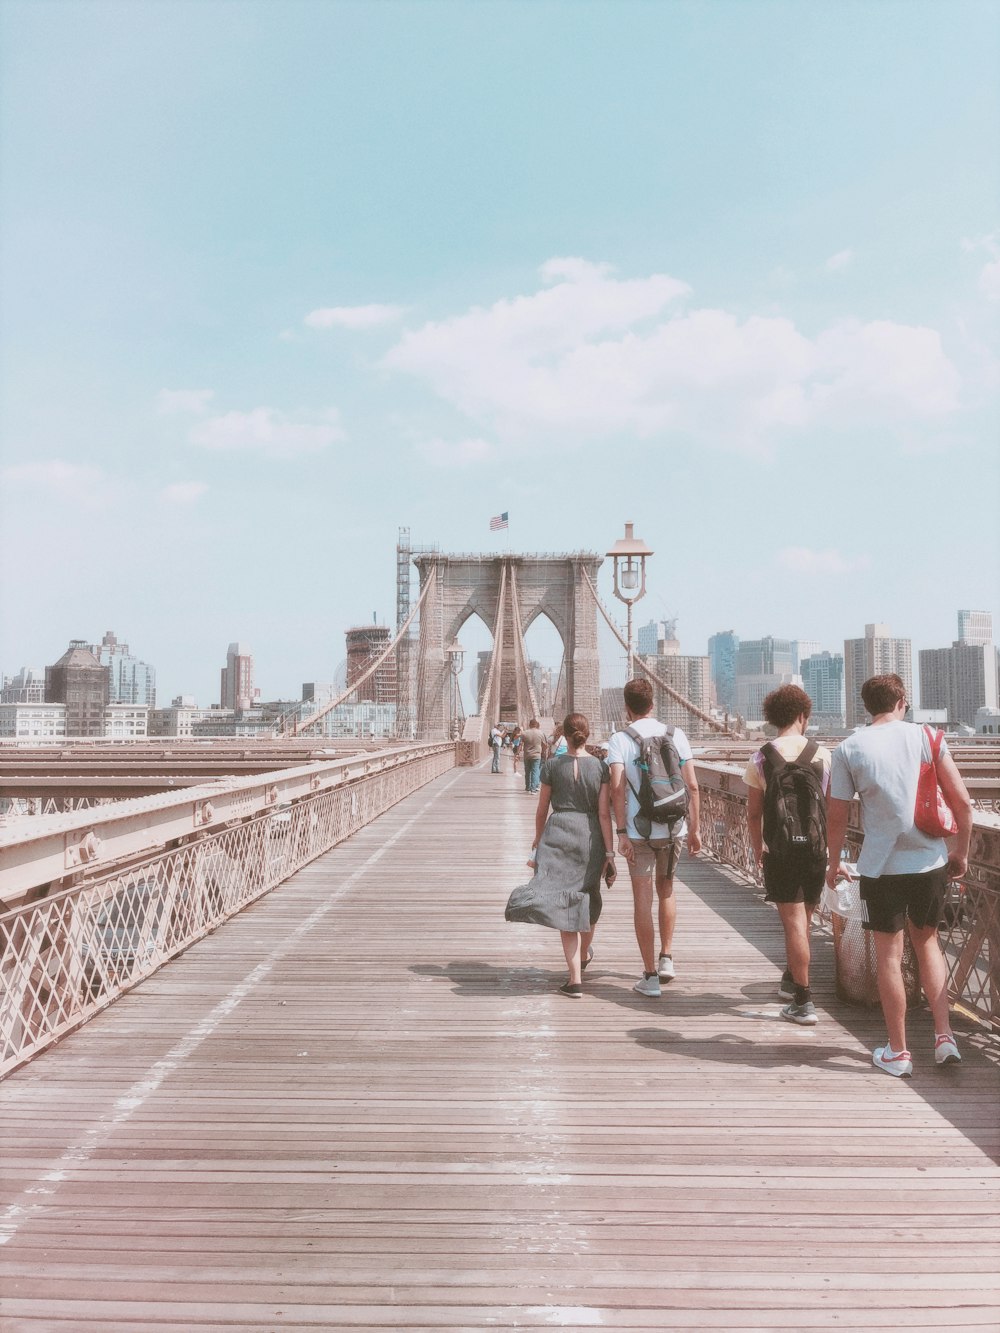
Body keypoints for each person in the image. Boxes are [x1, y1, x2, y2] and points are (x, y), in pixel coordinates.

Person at [826, 673, 973, 1077]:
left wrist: (833, 860)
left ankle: (899, 1051)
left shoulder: (848, 748)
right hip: (929, 863)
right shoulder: (928, 737)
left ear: (866, 706)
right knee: (928, 943)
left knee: (889, 956)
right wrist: (959, 852)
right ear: (902, 701)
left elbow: (836, 814)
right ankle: (944, 1037)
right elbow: (962, 803)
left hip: (881, 867)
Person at [505, 712, 615, 996]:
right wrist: (611, 853)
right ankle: (583, 956)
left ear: (564, 735)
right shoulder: (602, 767)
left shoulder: (552, 765)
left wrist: (537, 842)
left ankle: (575, 978)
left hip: (559, 833)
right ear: (587, 735)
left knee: (566, 903)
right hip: (590, 836)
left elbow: (542, 809)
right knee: (588, 897)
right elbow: (605, 814)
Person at [608, 677, 701, 996]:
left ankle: (649, 977)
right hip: (675, 826)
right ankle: (666, 959)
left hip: (638, 829)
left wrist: (620, 831)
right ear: (653, 704)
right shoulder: (676, 734)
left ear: (626, 707)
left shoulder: (620, 739)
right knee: (667, 890)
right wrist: (696, 828)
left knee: (642, 900)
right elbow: (692, 785)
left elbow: (618, 788)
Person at [744, 684, 831, 1025]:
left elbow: (753, 813)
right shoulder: (823, 755)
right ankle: (791, 978)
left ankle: (804, 1000)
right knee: (804, 919)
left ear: (772, 718)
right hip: (815, 849)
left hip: (780, 850)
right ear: (801, 715)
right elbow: (831, 807)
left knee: (794, 923)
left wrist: (757, 848)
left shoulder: (761, 757)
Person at [520, 717, 546, 793]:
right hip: (537, 755)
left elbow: (520, 744)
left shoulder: (524, 733)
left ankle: (527, 787)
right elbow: (545, 745)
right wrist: (543, 752)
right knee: (535, 771)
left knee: (527, 771)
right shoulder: (541, 733)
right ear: (537, 725)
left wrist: (517, 753)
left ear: (530, 725)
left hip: (527, 755)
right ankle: (533, 788)